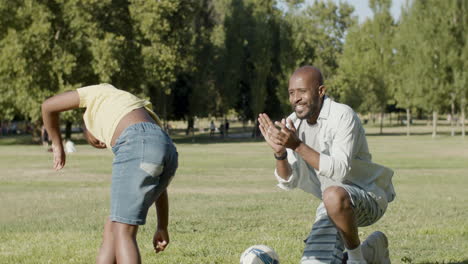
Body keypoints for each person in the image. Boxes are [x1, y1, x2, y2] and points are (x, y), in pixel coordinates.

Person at [258, 66, 395, 264]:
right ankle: (371, 251)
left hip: (368, 198)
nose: (295, 98)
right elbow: (289, 181)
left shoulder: (342, 115)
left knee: (331, 195)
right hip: (332, 204)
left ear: (321, 91)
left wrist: (297, 145)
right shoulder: (292, 123)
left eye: (302, 92)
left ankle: (357, 260)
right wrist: (280, 154)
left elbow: (339, 170)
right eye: (291, 93)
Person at [41, 83, 178, 264]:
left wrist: (57, 144)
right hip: (166, 148)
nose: (101, 143)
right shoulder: (127, 107)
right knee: (112, 227)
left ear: (89, 123)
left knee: (123, 232)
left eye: (96, 141)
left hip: (136, 142)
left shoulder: (96, 94)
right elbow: (156, 181)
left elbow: (47, 106)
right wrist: (162, 226)